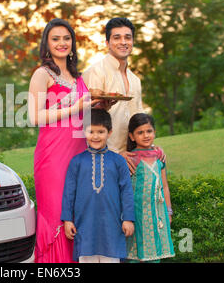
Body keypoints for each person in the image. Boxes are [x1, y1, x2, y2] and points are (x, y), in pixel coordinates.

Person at [28, 18, 100, 263]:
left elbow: (84, 115)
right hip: (53, 157)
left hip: (79, 152)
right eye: (55, 38)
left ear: (73, 43)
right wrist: (74, 108)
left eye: (66, 38)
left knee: (76, 215)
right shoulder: (42, 74)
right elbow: (34, 117)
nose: (62, 43)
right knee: (58, 214)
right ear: (46, 44)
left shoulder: (78, 77)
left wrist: (99, 106)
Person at [61, 108, 135, 263]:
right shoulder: (77, 162)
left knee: (111, 257)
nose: (95, 136)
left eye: (101, 132)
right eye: (91, 131)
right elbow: (69, 193)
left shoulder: (118, 161)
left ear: (110, 132)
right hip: (85, 224)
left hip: (113, 224)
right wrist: (67, 220)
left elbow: (126, 191)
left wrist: (128, 219)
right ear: (84, 132)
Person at [82, 17, 144, 173]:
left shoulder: (135, 79)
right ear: (107, 43)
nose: (123, 42)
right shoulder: (97, 71)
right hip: (103, 160)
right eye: (117, 37)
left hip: (131, 160)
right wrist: (115, 154)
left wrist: (150, 149)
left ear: (133, 41)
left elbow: (140, 120)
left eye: (127, 37)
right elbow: (88, 121)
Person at [125, 113, 175, 262]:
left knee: (155, 253)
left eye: (149, 131)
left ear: (154, 132)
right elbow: (125, 190)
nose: (145, 135)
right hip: (138, 214)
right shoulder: (130, 159)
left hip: (158, 213)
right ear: (132, 136)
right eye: (140, 132)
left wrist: (168, 211)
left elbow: (164, 186)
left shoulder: (159, 156)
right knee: (137, 252)